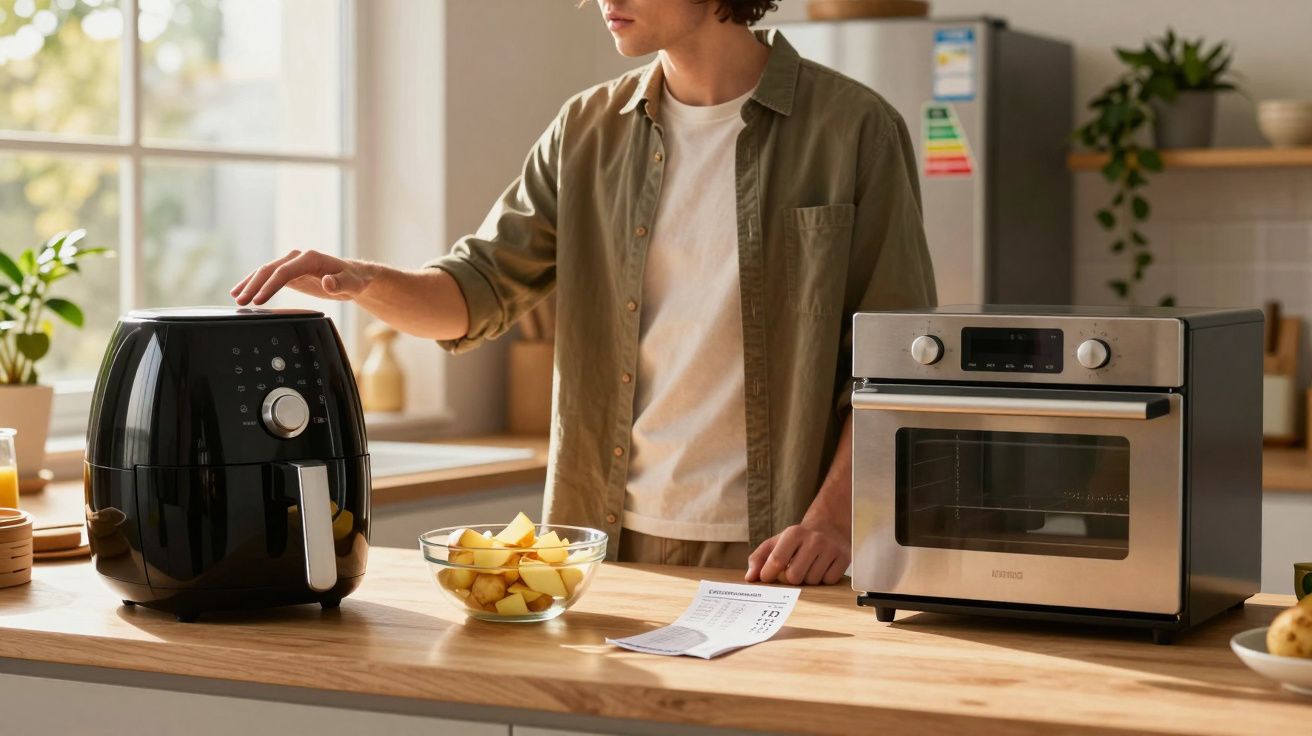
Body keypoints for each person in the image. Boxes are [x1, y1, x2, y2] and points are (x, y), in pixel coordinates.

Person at [231, 0, 935, 586]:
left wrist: (832, 521)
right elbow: (474, 291)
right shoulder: (586, 132)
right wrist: (362, 281)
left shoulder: (854, 130)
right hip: (605, 545)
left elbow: (900, 364)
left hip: (785, 550)